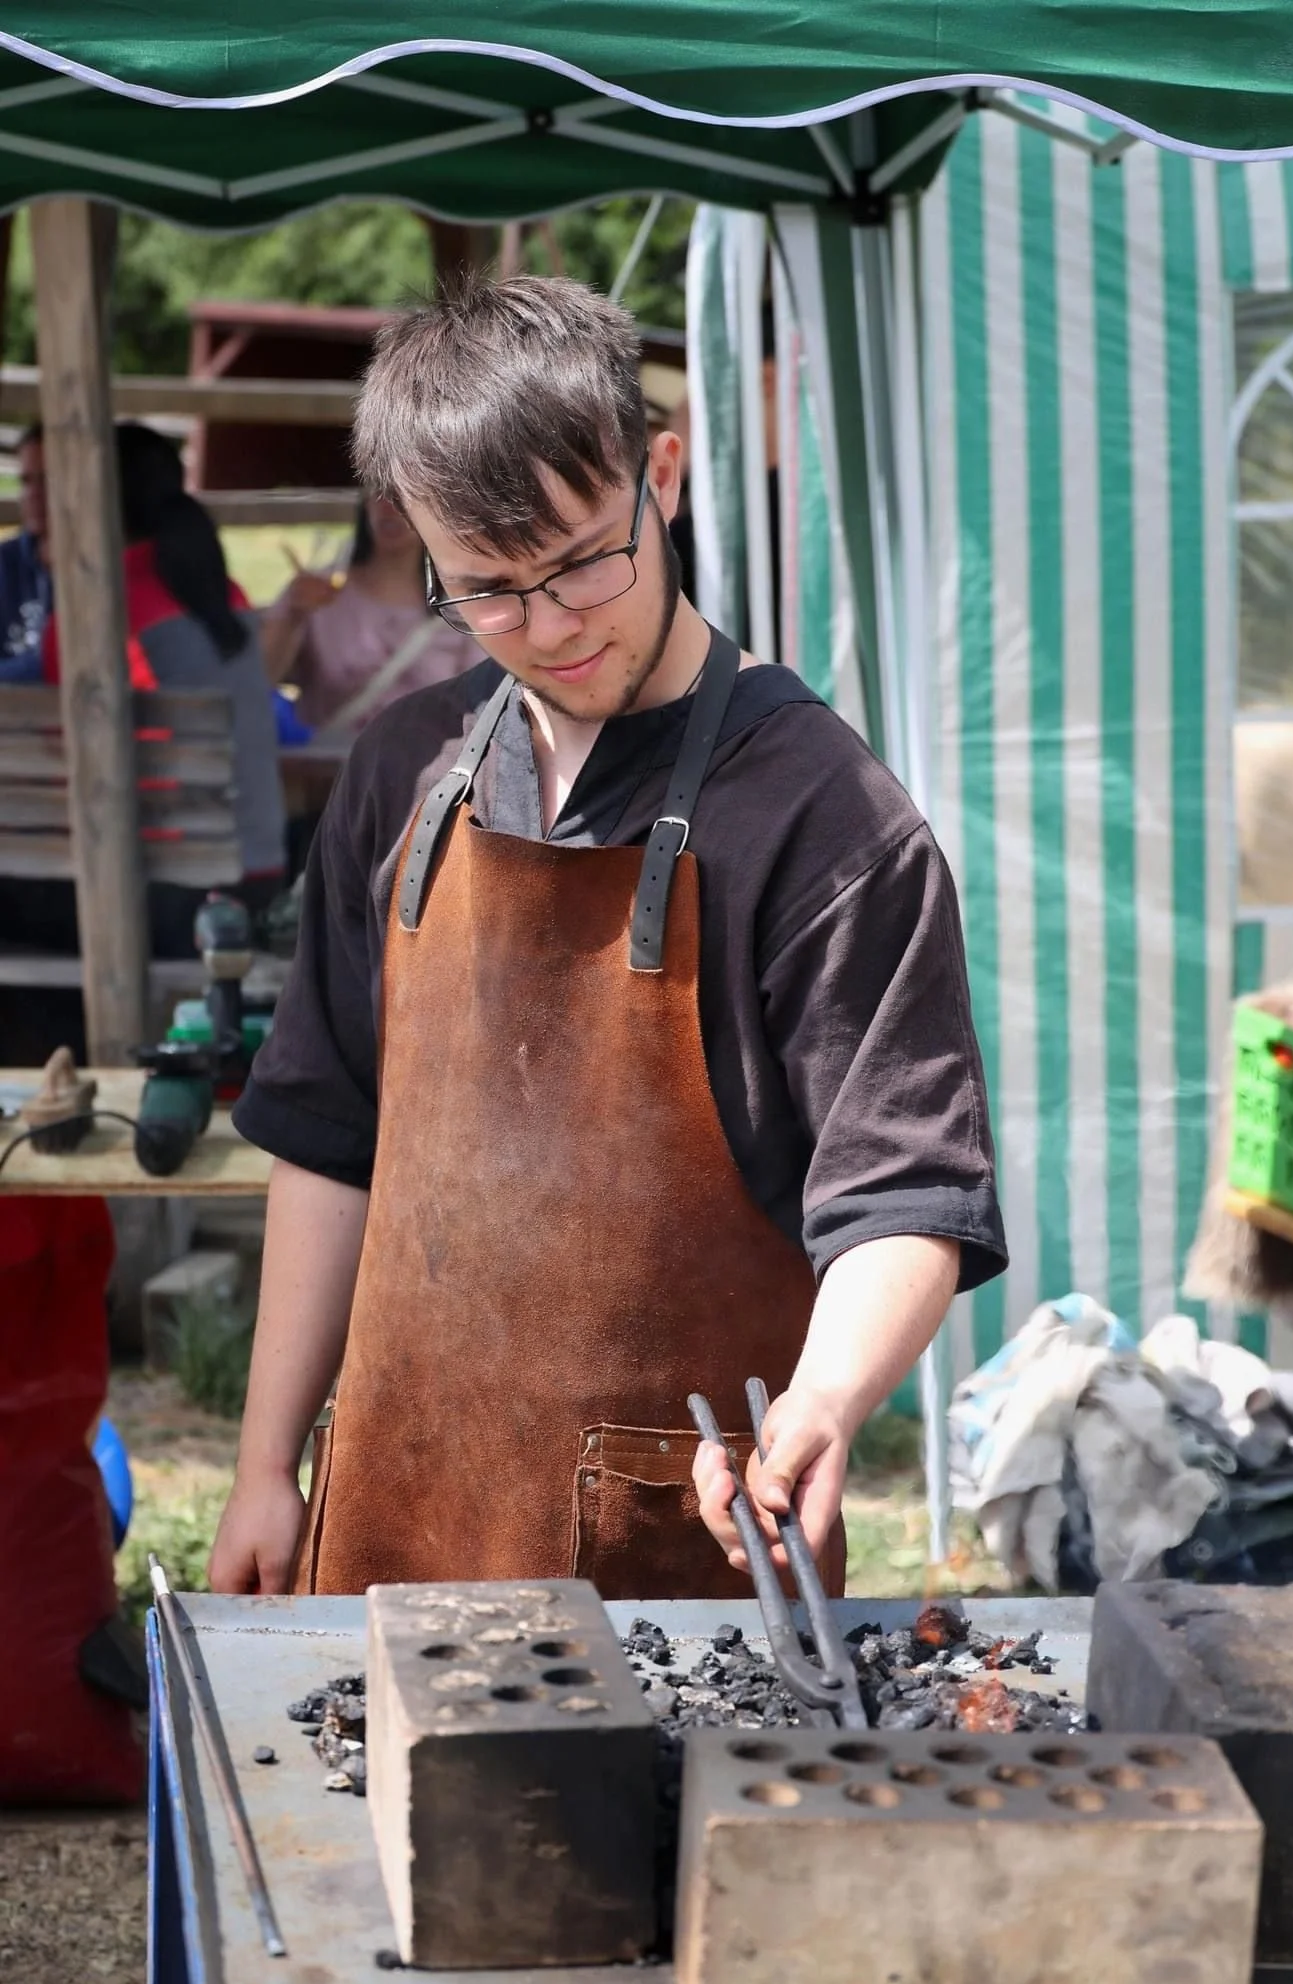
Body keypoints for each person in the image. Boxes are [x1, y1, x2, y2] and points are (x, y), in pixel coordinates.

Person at [209, 273, 1006, 1603]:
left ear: (663, 474)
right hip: (389, 1528)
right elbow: (325, 1135)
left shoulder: (825, 818)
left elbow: (903, 1196)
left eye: (585, 559)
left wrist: (823, 1405)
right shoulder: (404, 770)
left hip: (672, 1565)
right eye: (487, 592)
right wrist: (259, 1464)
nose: (553, 625)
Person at [42, 423, 287, 951]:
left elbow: (57, 737)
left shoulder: (100, 604)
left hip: (157, 892)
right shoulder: (228, 594)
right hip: (257, 871)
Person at [260, 493, 480, 732]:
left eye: (406, 495)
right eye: (378, 492)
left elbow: (479, 703)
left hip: (433, 761)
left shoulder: (460, 601)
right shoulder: (315, 592)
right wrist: (292, 618)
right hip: (333, 764)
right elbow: (258, 679)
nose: (389, 507)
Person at [0, 425, 52, 681]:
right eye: (26, 481)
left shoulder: (108, 569)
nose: (33, 494)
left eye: (48, 480)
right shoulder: (4, 563)